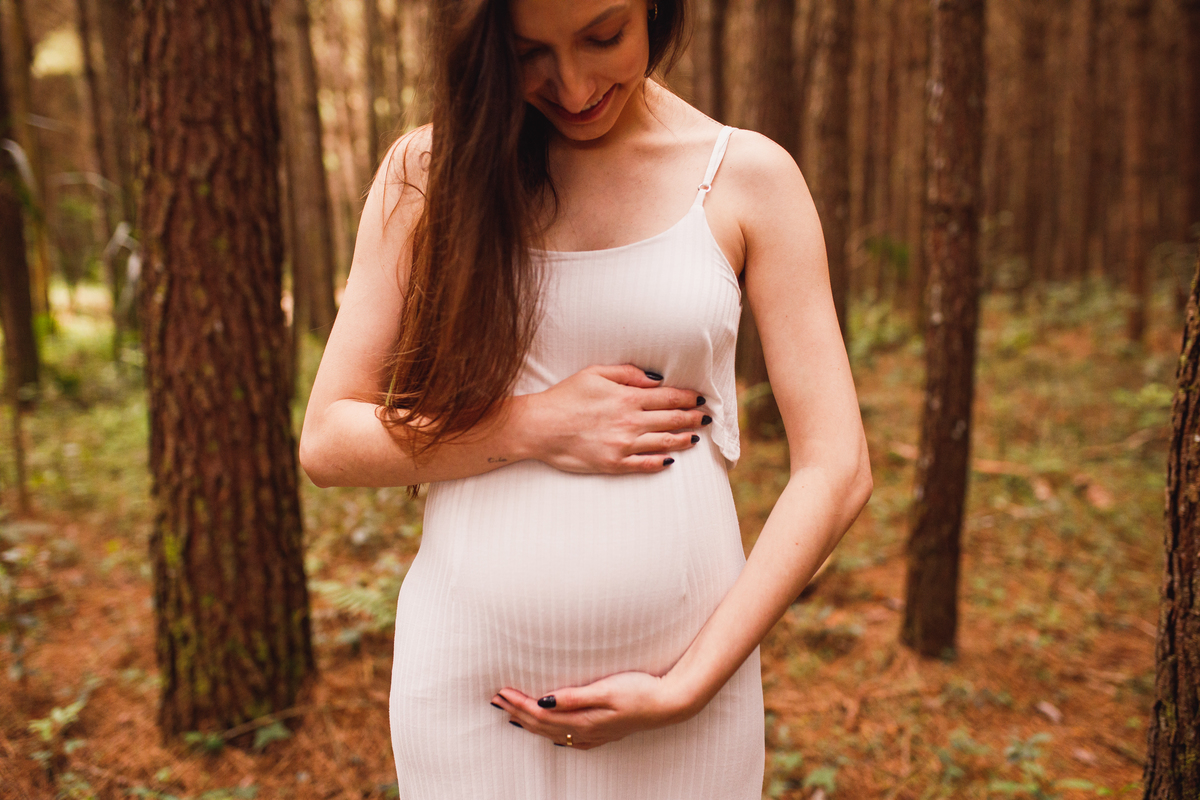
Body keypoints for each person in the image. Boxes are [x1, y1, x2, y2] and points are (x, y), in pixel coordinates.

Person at [299, 0, 872, 795]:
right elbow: (327, 440)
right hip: (469, 695)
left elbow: (836, 468)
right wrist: (532, 425)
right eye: (530, 52)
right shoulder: (428, 174)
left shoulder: (746, 177)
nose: (571, 86)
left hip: (686, 693)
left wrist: (688, 687)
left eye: (604, 37)